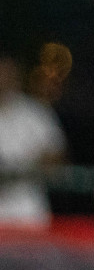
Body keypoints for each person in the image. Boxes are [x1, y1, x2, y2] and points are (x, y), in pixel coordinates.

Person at [0, 54, 65, 227]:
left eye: (8, 73)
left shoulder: (35, 112)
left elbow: (57, 158)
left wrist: (27, 168)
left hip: (29, 212)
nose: (4, 78)